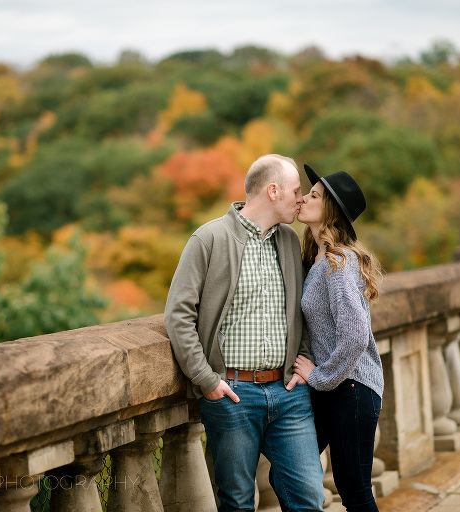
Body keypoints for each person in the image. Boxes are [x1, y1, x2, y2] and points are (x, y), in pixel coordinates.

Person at [164, 154, 326, 512]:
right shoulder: (209, 238)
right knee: (237, 503)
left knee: (309, 498)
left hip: (289, 395)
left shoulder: (288, 240)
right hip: (233, 395)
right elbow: (177, 315)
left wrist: (306, 359)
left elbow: (303, 308)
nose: (301, 199)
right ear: (273, 191)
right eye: (296, 191)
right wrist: (206, 379)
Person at [291, 164, 384, 512]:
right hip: (332, 390)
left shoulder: (338, 262)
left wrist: (319, 375)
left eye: (313, 195)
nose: (303, 197)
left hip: (352, 389)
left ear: (329, 210)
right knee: (287, 475)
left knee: (354, 491)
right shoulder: (315, 259)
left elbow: (356, 335)